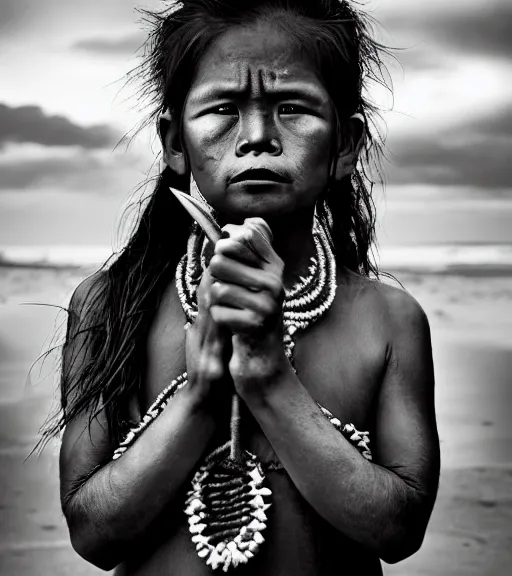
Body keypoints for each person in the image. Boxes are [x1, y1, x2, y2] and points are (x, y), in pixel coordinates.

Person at [49, 0, 440, 574]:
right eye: (224, 109)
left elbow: (399, 530)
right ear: (175, 143)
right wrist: (203, 389)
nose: (258, 137)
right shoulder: (107, 305)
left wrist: (267, 376)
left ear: (346, 145)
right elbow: (93, 535)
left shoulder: (388, 319)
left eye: (292, 108)